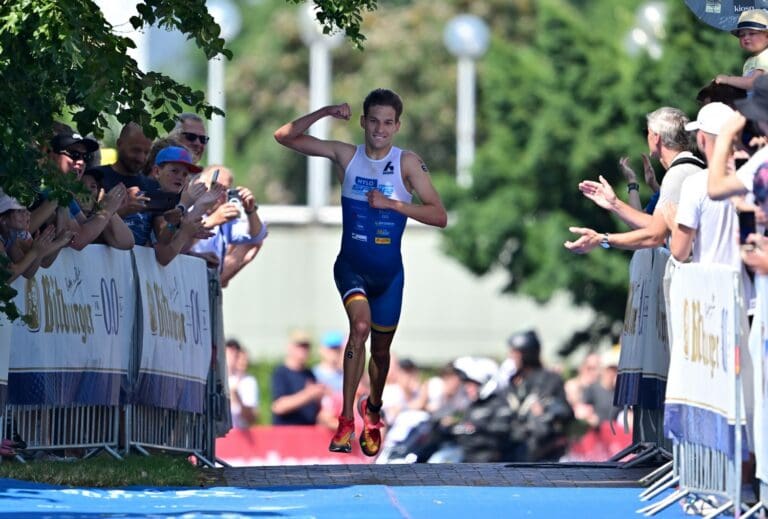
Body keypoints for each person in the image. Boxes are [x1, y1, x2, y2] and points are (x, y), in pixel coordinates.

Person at [274, 88, 447, 456]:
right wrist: (324, 111)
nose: (380, 129)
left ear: (397, 126)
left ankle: (373, 409)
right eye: (374, 121)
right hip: (351, 267)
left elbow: (439, 215)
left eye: (388, 123)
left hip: (389, 277)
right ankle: (346, 418)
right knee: (360, 328)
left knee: (381, 354)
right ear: (364, 122)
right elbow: (284, 136)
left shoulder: (408, 164)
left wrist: (393, 204)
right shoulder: (345, 155)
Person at [565, 107, 705, 253]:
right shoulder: (692, 168)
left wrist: (601, 239)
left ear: (656, 137)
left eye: (647, 132)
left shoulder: (678, 174)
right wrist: (614, 204)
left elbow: (654, 235)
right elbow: (654, 225)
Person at [188, 165, 267, 287]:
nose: (220, 194)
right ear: (199, 184)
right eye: (216, 187)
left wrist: (250, 210)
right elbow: (177, 243)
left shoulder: (224, 218)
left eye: (226, 190)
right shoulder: (188, 208)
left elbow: (256, 236)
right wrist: (211, 222)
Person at [270, 331, 326, 426]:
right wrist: (309, 394)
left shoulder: (309, 374)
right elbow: (279, 406)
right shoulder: (281, 373)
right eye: (300, 346)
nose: (303, 350)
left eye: (306, 347)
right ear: (290, 347)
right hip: (287, 434)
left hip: (309, 433)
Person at [715, 9, 768, 94]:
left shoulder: (765, 56)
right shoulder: (750, 60)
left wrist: (728, 80)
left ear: (767, 36)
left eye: (752, 33)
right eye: (742, 35)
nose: (746, 38)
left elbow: (753, 83)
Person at [225, 338, 259, 429]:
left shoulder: (249, 382)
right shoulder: (217, 378)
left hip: (239, 432)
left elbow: (252, 418)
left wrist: (237, 397)